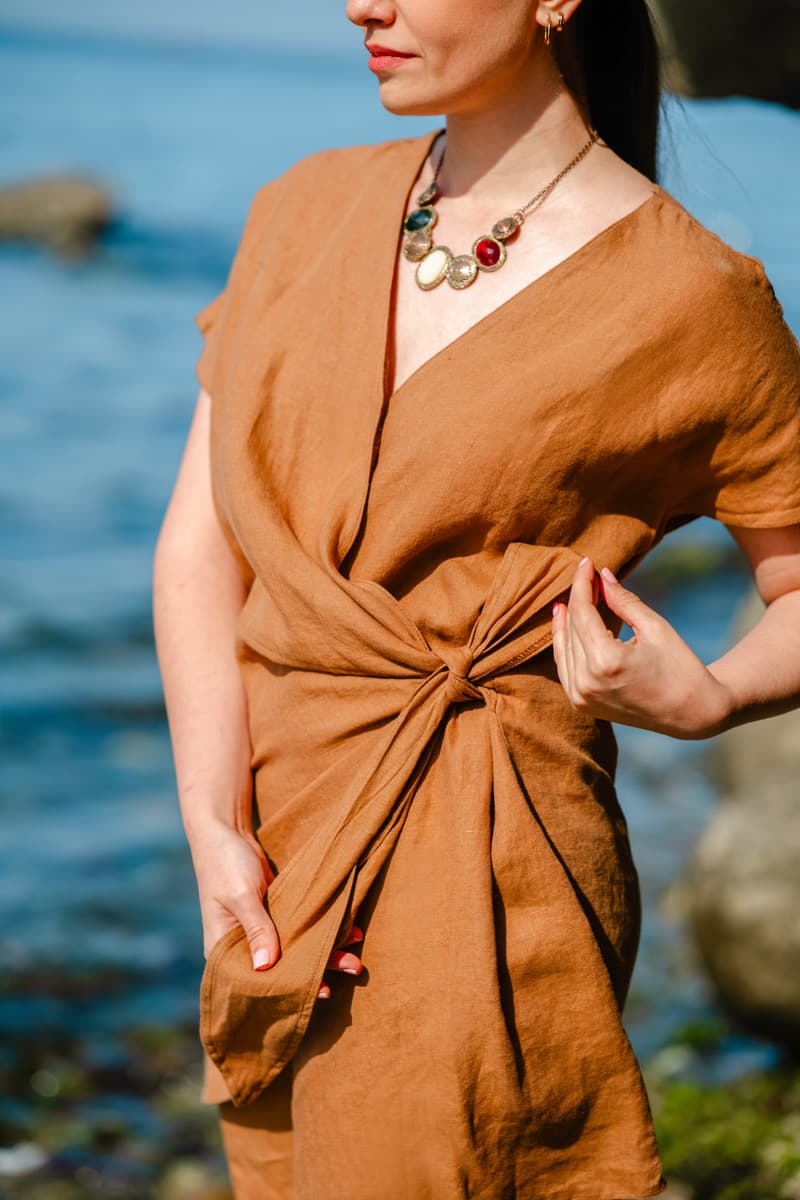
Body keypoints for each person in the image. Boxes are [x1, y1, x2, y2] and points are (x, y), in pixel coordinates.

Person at [151, 0, 800, 1196]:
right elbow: (202, 544)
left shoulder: (694, 294)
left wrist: (709, 697)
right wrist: (213, 825)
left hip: (486, 849)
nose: (364, 4)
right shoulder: (300, 207)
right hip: (276, 843)